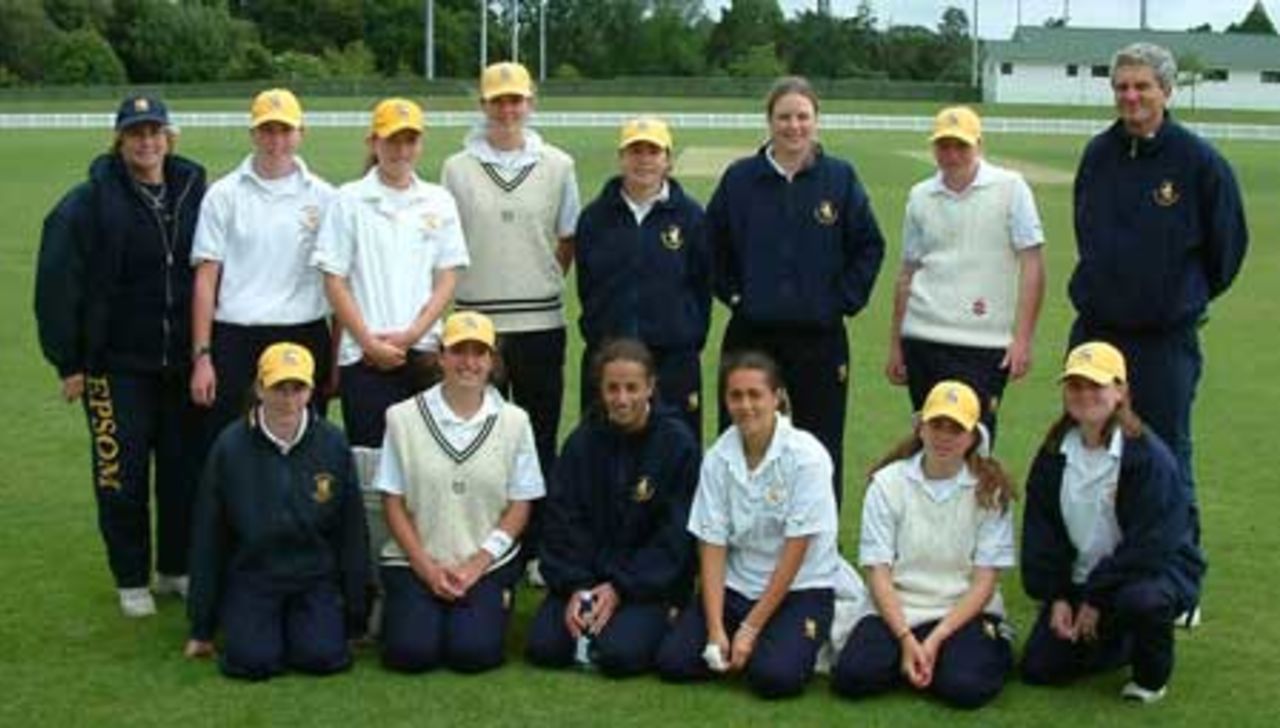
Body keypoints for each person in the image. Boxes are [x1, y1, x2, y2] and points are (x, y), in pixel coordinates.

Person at [1068, 43, 1246, 610]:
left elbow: (1227, 251)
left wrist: (1178, 298)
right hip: (1098, 334)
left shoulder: (1199, 163)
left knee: (1166, 459)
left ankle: (1179, 581)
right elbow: (1086, 233)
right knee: (1091, 450)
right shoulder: (1098, 156)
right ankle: (1095, 570)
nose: (1131, 96)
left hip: (1163, 341)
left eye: (1142, 86)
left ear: (1166, 90)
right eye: (1122, 86)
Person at [34, 94, 206, 618]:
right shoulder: (85, 204)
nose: (147, 142)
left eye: (155, 131)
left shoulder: (196, 192)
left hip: (180, 366)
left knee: (182, 473)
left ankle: (174, 568)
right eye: (136, 133)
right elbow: (56, 286)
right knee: (121, 475)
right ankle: (131, 577)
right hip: (114, 368)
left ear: (170, 136)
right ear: (119, 139)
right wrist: (70, 363)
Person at [709, 75, 885, 509]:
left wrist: (840, 302)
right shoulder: (740, 179)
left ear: (816, 121)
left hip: (820, 339)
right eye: (784, 117)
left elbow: (869, 245)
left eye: (802, 117)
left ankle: (820, 549)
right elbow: (709, 247)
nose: (794, 126)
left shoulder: (840, 179)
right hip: (752, 337)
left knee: (820, 446)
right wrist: (736, 297)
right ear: (769, 122)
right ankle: (733, 539)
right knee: (743, 438)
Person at [1020, 342, 1204, 704]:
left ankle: (1151, 676)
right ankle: (1117, 638)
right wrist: (1056, 596)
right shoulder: (1053, 453)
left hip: (1143, 575)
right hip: (1083, 581)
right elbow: (1042, 532)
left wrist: (1096, 598)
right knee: (1039, 669)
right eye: (1075, 385)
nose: (1085, 394)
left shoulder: (1148, 458)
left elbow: (1150, 546)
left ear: (1120, 391)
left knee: (1144, 602)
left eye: (1096, 385)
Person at [656, 352, 840, 699]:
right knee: (674, 662)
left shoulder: (808, 456)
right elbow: (711, 545)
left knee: (774, 679)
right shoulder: (717, 457)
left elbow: (795, 551)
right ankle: (763, 639)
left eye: (756, 395)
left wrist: (750, 627)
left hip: (800, 587)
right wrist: (714, 630)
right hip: (738, 586)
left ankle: (793, 638)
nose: (745, 405)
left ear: (777, 397)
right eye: (735, 396)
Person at [184, 343, 367, 680]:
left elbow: (351, 529)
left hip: (313, 575)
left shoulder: (332, 443)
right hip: (254, 574)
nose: (288, 399)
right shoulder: (230, 446)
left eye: (298, 388)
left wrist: (357, 616)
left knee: (323, 657)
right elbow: (209, 534)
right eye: (278, 388)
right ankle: (249, 621)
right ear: (259, 388)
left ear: (312, 390)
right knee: (252, 663)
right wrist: (202, 626)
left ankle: (304, 625)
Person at [374, 311, 544, 673]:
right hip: (415, 561)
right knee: (411, 654)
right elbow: (392, 502)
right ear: (441, 356)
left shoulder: (515, 421)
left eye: (479, 352)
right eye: (458, 351)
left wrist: (474, 566)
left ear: (492, 360)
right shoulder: (402, 418)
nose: (469, 363)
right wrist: (427, 569)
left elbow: (520, 505)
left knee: (473, 654)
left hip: (484, 564)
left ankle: (491, 602)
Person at [831, 380, 1016, 709]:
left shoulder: (991, 492)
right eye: (937, 425)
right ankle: (917, 658)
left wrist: (936, 639)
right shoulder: (888, 484)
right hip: (897, 608)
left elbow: (984, 582)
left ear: (973, 436)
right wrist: (905, 638)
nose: (945, 436)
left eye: (956, 428)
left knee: (965, 687)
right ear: (921, 428)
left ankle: (949, 655)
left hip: (962, 612)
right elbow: (878, 572)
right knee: (852, 677)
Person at [441, 60, 580, 487]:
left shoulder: (559, 165)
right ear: (483, 104)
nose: (507, 111)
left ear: (530, 104)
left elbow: (567, 237)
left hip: (540, 322)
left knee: (538, 435)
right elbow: (448, 245)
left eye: (515, 100)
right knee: (480, 436)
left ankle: (539, 540)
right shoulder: (456, 168)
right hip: (476, 326)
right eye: (497, 101)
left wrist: (540, 279)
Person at [527, 339, 700, 676]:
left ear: (651, 386)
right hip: (585, 578)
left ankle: (663, 619)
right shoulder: (581, 443)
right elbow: (561, 521)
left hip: (644, 585)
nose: (622, 399)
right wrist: (578, 586)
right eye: (613, 388)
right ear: (600, 389)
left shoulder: (677, 445)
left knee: (620, 656)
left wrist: (620, 586)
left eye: (632, 388)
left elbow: (676, 535)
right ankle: (592, 619)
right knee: (544, 648)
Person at [312, 97, 469, 449]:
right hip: (363, 355)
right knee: (372, 463)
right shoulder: (348, 200)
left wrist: (414, 333)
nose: (401, 150)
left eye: (410, 140)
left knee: (428, 463)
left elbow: (447, 278)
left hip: (425, 352)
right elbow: (333, 281)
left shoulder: (438, 200)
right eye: (392, 140)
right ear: (373, 143)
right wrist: (369, 342)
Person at [885, 106, 1045, 444]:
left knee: (976, 443)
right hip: (923, 338)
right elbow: (907, 273)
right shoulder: (920, 196)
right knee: (927, 441)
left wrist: (1023, 339)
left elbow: (1032, 264)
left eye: (961, 145)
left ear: (979, 145)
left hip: (984, 345)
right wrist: (896, 344)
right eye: (944, 145)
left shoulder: (1011, 188)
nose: (952, 155)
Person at [190, 89, 337, 445]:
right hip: (237, 338)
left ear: (301, 133)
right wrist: (202, 356)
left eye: (285, 130)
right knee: (232, 447)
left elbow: (338, 282)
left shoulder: (325, 197)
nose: (276, 140)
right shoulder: (223, 194)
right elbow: (206, 280)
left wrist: (335, 358)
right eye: (267, 130)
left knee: (304, 448)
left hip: (304, 334)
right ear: (253, 133)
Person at [574, 117, 711, 442]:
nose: (644, 160)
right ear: (622, 158)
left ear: (668, 160)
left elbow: (702, 284)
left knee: (677, 451)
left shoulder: (691, 217)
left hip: (673, 359)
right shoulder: (595, 218)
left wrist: (685, 335)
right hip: (609, 359)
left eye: (653, 151)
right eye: (635, 151)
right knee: (602, 453)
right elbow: (587, 286)